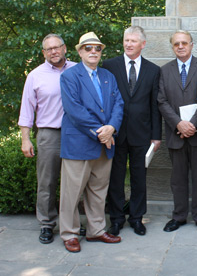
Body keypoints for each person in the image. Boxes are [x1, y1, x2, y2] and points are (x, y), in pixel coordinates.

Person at [59, 32, 124, 253]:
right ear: (79, 51)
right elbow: (74, 110)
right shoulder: (70, 76)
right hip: (80, 144)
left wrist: (112, 128)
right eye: (88, 48)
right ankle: (69, 233)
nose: (93, 51)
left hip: (104, 145)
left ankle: (96, 230)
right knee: (71, 193)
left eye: (97, 48)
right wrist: (101, 133)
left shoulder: (108, 76)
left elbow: (118, 105)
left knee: (98, 191)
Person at [103, 26, 162, 236]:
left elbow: (155, 105)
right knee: (115, 178)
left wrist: (156, 136)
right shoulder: (109, 66)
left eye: (133, 41)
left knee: (139, 178)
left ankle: (137, 218)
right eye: (126, 40)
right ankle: (116, 219)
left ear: (143, 44)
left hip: (142, 133)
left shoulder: (153, 70)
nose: (128, 44)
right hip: (115, 133)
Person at [18, 34, 76, 244]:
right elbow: (27, 110)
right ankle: (46, 224)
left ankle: (72, 223)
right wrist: (26, 139)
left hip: (75, 133)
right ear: (44, 53)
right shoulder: (35, 75)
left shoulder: (78, 69)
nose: (53, 51)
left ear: (64, 48)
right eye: (48, 49)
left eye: (56, 47)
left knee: (75, 182)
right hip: (49, 133)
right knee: (47, 182)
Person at [157, 30, 197, 234]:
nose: (180, 46)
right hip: (175, 133)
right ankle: (178, 216)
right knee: (177, 179)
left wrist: (193, 124)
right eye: (176, 44)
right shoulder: (164, 70)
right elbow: (161, 101)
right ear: (172, 46)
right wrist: (178, 124)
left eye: (184, 43)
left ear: (191, 45)